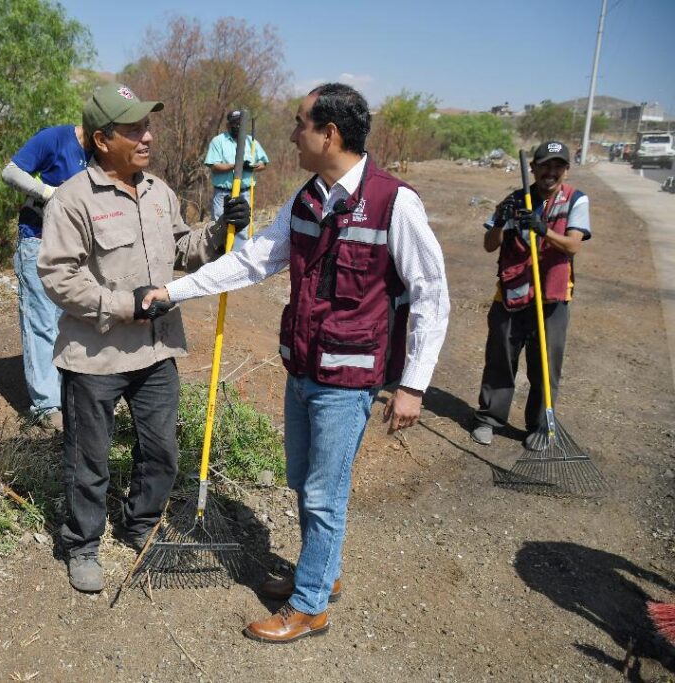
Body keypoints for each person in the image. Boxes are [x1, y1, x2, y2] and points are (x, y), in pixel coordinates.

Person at [141, 83, 450, 643]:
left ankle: (310, 607)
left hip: (349, 379)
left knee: (326, 492)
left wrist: (414, 386)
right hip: (303, 368)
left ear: (329, 134)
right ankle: (321, 574)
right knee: (306, 484)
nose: (291, 134)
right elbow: (256, 259)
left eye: (300, 123)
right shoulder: (309, 197)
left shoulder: (394, 203)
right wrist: (177, 289)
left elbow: (431, 295)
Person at [38, 83, 250, 593]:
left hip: (157, 351)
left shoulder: (159, 192)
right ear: (102, 139)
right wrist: (123, 304)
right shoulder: (72, 201)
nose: (147, 137)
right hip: (96, 355)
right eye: (134, 129)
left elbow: (184, 248)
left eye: (147, 127)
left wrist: (222, 231)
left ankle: (140, 525)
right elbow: (59, 277)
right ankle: (83, 544)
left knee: (162, 451)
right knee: (88, 459)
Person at [470, 141, 590, 449]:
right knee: (500, 361)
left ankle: (539, 426)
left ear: (566, 169)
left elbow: (574, 244)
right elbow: (489, 244)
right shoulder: (514, 199)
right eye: (545, 165)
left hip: (551, 299)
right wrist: (501, 221)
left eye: (558, 166)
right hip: (510, 297)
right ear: (533, 168)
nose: (551, 172)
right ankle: (489, 419)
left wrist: (543, 230)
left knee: (546, 365)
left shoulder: (575, 200)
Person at [1, 124, 90, 430]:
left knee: (70, 321)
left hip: (78, 249)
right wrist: (48, 193)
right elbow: (11, 172)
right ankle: (48, 404)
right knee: (41, 321)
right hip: (38, 240)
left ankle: (74, 395)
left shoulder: (106, 153)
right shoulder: (55, 139)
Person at [205, 110, 269, 249]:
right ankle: (218, 257)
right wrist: (236, 165)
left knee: (242, 226)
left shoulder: (251, 142)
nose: (238, 126)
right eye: (234, 123)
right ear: (228, 125)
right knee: (219, 225)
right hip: (223, 193)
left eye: (240, 123)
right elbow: (214, 165)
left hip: (244, 192)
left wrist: (251, 167)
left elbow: (263, 164)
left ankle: (237, 259)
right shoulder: (218, 141)